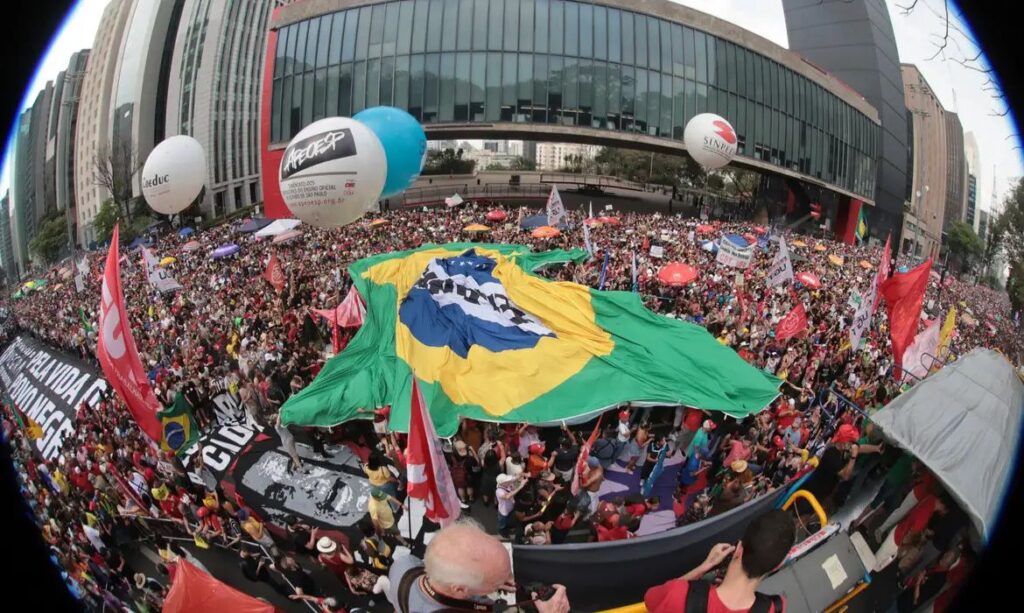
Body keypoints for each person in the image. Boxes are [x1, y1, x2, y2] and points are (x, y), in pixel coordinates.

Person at [386, 518, 570, 612]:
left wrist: (494, 579)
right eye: (496, 584)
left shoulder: (403, 564)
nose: (508, 581)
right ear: (460, 590)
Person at [644, 509, 794, 612]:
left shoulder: (677, 595)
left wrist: (703, 567)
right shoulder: (776, 608)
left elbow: (650, 600)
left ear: (739, 549)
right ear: (777, 565)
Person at [496, 473, 528, 538]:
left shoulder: (507, 484)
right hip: (504, 511)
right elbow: (507, 496)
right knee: (503, 523)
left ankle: (507, 526)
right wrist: (520, 486)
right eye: (507, 481)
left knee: (509, 519)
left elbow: (517, 476)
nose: (509, 481)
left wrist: (525, 475)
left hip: (510, 507)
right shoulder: (499, 491)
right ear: (502, 483)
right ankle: (502, 531)